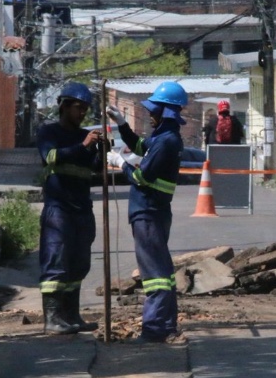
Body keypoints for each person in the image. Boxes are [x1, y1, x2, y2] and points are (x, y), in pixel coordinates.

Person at [105, 80, 187, 344]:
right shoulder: (164, 137)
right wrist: (122, 125)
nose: (150, 114)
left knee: (155, 275)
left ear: (167, 112)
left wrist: (119, 162)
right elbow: (141, 147)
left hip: (149, 212)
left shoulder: (167, 141)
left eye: (154, 110)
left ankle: (156, 328)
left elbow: (141, 176)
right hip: (153, 211)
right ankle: (163, 325)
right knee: (159, 270)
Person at [36, 81, 105, 335]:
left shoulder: (83, 135)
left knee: (78, 263)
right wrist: (84, 145)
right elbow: (50, 157)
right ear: (63, 106)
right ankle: (52, 319)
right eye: (78, 107)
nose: (82, 113)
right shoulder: (49, 132)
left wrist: (99, 152)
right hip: (59, 208)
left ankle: (71, 315)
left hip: (81, 208)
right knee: (56, 260)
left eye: (85, 108)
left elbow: (94, 169)